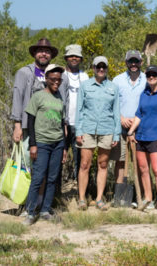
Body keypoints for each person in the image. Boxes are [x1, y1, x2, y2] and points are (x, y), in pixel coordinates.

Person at [23, 64, 69, 225]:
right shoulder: (38, 96)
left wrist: (63, 147)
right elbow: (30, 120)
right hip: (42, 143)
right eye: (53, 79)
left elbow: (62, 123)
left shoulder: (59, 98)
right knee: (38, 177)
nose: (57, 82)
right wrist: (33, 145)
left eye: (59, 79)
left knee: (52, 178)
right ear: (47, 79)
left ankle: (45, 210)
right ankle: (30, 212)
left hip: (57, 143)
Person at [74, 56, 121, 211]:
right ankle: (81, 199)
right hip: (87, 129)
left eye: (104, 67)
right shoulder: (85, 86)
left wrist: (116, 134)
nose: (101, 69)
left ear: (107, 68)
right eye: (98, 66)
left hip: (107, 129)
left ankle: (99, 199)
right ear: (93, 68)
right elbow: (79, 110)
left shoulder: (113, 87)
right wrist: (78, 131)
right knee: (84, 164)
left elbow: (116, 112)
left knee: (103, 164)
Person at [11, 38, 65, 167]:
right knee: (26, 163)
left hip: (49, 128)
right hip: (28, 128)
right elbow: (17, 98)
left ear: (51, 55)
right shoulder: (24, 73)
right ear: (35, 54)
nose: (43, 54)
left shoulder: (57, 75)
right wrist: (17, 126)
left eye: (47, 51)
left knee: (45, 167)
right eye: (40, 51)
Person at [127, 65, 157, 215]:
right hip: (141, 137)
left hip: (156, 138)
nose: (151, 77)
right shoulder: (143, 94)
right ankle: (149, 199)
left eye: (154, 75)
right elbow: (139, 114)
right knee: (143, 170)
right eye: (149, 75)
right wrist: (131, 131)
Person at [109, 50, 146, 205]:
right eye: (130, 61)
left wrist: (136, 120)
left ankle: (141, 194)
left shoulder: (147, 79)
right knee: (120, 160)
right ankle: (120, 195)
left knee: (140, 162)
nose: (133, 64)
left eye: (136, 61)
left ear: (140, 63)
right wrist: (121, 118)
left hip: (141, 126)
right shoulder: (117, 80)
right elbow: (111, 103)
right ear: (126, 62)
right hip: (121, 125)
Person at [63, 44, 89, 180]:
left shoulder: (85, 77)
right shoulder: (60, 75)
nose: (74, 58)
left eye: (77, 56)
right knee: (59, 160)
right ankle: (56, 195)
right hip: (63, 125)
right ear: (66, 58)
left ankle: (80, 193)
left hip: (80, 126)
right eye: (71, 56)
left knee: (80, 162)